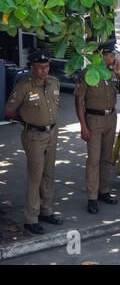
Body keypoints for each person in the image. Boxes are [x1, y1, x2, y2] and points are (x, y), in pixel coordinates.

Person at [4, 50, 63, 234]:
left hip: (52, 133)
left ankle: (46, 210)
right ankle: (31, 219)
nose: (44, 70)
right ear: (32, 68)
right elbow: (9, 111)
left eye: (47, 67)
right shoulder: (24, 86)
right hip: (34, 136)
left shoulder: (54, 82)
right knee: (35, 176)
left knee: (49, 173)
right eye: (40, 67)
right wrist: (26, 121)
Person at [74, 42, 120, 214]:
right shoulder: (87, 74)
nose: (113, 58)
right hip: (94, 119)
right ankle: (92, 197)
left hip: (110, 117)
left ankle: (103, 191)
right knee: (93, 160)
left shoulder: (112, 73)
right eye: (110, 55)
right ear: (101, 55)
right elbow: (79, 101)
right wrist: (83, 126)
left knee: (106, 158)